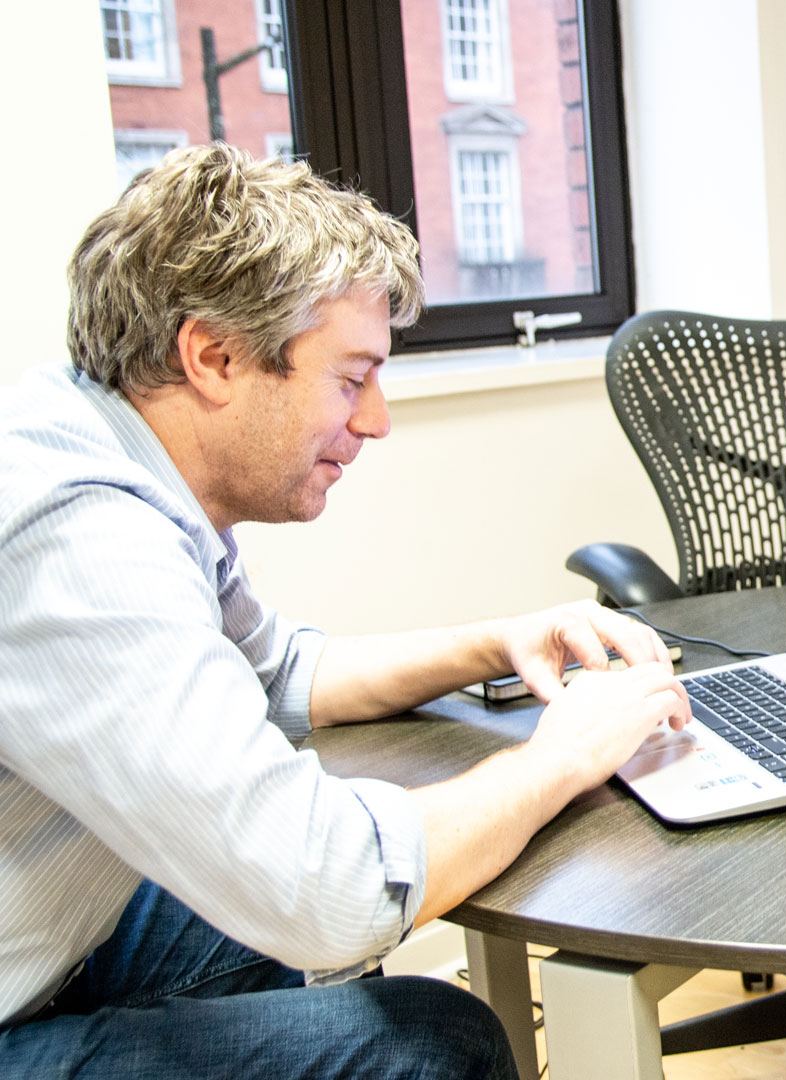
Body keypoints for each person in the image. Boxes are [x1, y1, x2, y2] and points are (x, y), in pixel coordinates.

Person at [0, 144, 693, 1078]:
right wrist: (562, 755)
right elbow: (330, 886)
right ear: (213, 356)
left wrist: (497, 641)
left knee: (276, 928)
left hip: (40, 930)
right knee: (430, 1044)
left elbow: (282, 672)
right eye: (350, 377)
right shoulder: (84, 544)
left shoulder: (95, 437)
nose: (375, 421)